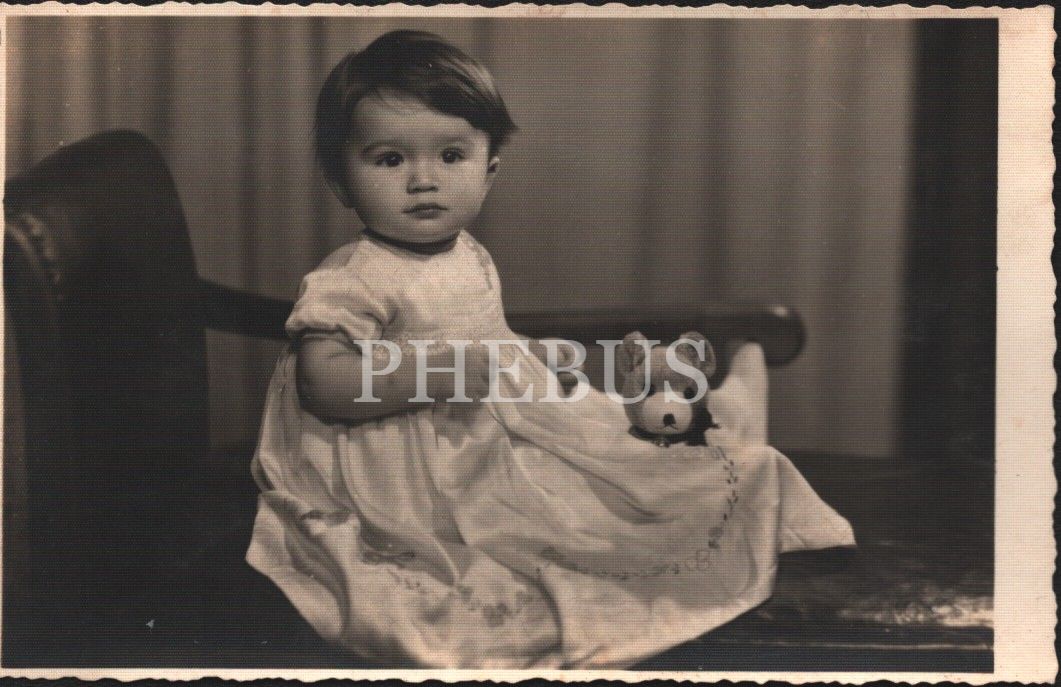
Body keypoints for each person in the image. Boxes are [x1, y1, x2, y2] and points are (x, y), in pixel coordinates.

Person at [246, 30, 854, 669]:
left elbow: (484, 338)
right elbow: (322, 382)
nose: (423, 180)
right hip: (405, 469)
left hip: (482, 433)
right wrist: (440, 373)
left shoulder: (469, 255)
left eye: (450, 156)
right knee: (536, 529)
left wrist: (530, 353)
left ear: (489, 171)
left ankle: (724, 456)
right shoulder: (354, 276)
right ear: (341, 180)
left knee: (615, 466)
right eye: (390, 159)